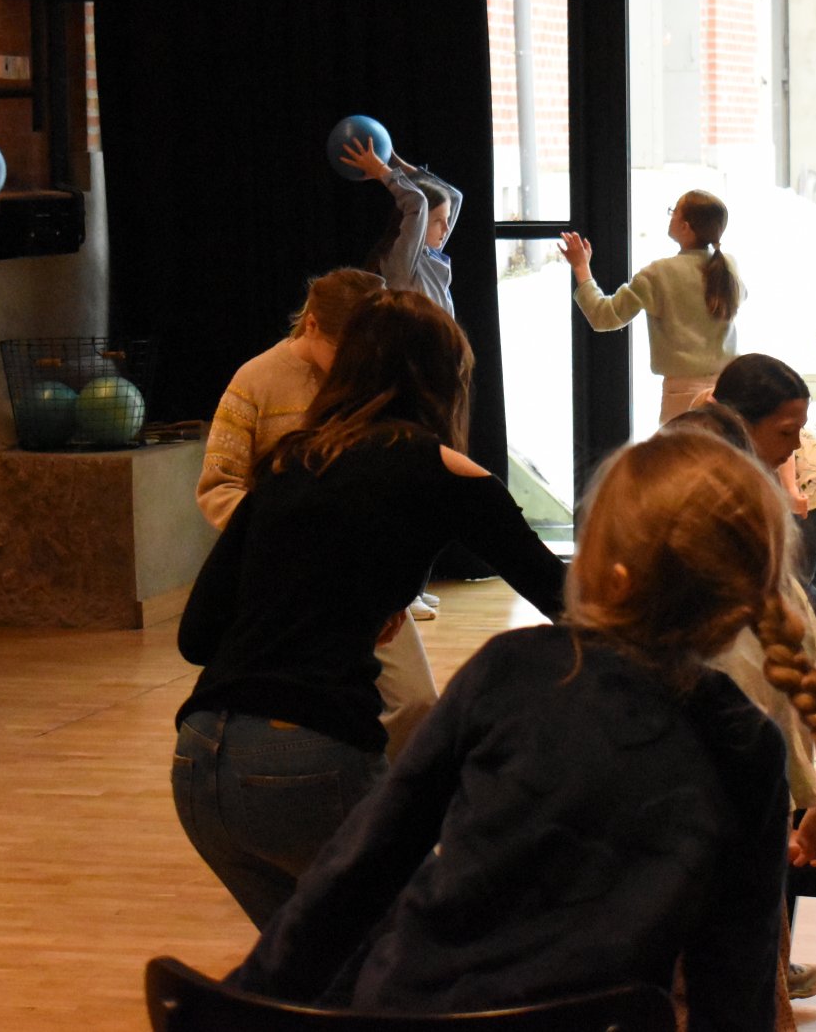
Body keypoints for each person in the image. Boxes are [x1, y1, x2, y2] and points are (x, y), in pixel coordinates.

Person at [229, 429, 816, 1028]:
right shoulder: (744, 743)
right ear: (746, 596)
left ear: (605, 567)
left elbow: (359, 868)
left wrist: (236, 1001)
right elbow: (733, 985)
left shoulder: (508, 670)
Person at [172, 289, 563, 929]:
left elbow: (197, 635)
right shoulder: (447, 474)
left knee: (314, 969)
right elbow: (564, 599)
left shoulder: (287, 463)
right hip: (305, 757)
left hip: (197, 762)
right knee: (420, 949)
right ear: (443, 382)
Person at [194, 267, 438, 757]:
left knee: (416, 702)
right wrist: (282, 534)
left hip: (362, 579)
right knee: (296, 713)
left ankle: (378, 793)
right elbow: (219, 485)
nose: (357, 361)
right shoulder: (256, 380)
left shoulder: (372, 379)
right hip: (279, 588)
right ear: (310, 325)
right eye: (346, 348)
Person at [661, 402, 816, 1017]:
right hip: (735, 829)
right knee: (746, 990)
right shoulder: (773, 589)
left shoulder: (635, 598)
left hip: (704, 834)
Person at [710, 354, 816, 650]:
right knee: (792, 586)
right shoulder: (714, 452)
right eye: (786, 432)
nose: (796, 443)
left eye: (799, 430)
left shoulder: (749, 449)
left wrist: (791, 492)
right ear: (739, 420)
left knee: (791, 585)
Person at [558, 190, 744, 423]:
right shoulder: (728, 266)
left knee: (679, 449)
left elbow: (604, 316)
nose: (671, 216)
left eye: (674, 211)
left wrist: (581, 267)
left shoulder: (659, 274)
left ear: (685, 226)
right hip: (729, 391)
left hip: (682, 397)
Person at [340, 134, 462, 319]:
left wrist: (393, 160)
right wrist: (381, 170)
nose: (446, 228)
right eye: (438, 221)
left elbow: (454, 197)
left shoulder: (428, 254)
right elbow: (417, 202)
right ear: (420, 222)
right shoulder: (402, 262)